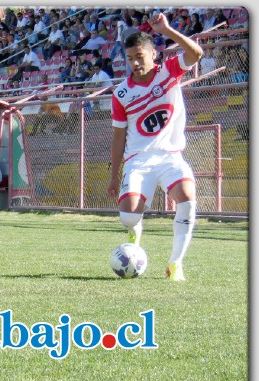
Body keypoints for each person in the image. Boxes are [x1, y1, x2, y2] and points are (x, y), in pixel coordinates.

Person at [106, 14, 203, 281]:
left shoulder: (169, 70)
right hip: (138, 161)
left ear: (152, 53)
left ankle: (175, 265)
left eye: (140, 56)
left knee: (187, 198)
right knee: (127, 217)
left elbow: (196, 53)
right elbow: (118, 137)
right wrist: (114, 174)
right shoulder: (121, 94)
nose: (135, 63)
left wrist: (168, 30)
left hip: (170, 156)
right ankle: (133, 232)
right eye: (130, 59)